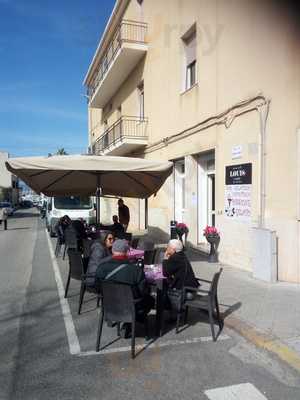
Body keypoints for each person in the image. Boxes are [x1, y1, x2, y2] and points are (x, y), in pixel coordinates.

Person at [95, 239, 155, 337]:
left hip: (109, 307)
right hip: (131, 307)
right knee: (150, 300)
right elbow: (143, 292)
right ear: (127, 252)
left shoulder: (101, 268)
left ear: (112, 250)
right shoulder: (135, 270)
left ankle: (127, 322)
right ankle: (131, 321)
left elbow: (97, 288)